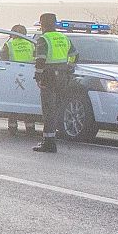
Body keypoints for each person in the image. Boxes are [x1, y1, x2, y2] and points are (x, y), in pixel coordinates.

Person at [32, 14, 77, 153]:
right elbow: (75, 54)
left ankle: (49, 143)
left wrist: (38, 76)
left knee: (48, 110)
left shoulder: (43, 39)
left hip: (49, 77)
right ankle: (52, 138)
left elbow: (40, 60)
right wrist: (69, 67)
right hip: (63, 77)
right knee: (57, 108)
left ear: (42, 24)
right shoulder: (64, 38)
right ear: (55, 23)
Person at [3, 24, 37, 134]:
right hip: (29, 75)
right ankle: (30, 127)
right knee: (27, 101)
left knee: (13, 101)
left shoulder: (9, 44)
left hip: (13, 75)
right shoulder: (32, 44)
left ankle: (12, 127)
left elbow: (3, 59)